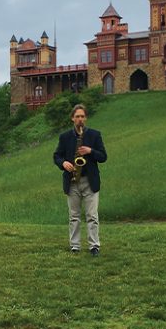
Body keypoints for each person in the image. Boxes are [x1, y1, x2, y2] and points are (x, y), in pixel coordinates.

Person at [53, 104, 107, 256]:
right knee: (74, 216)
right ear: (72, 118)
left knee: (92, 215)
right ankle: (75, 246)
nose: (80, 119)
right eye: (77, 116)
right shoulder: (65, 137)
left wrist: (90, 151)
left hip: (90, 181)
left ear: (86, 118)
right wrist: (63, 163)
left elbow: (103, 157)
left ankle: (94, 246)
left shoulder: (95, 135)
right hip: (72, 180)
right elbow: (57, 156)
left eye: (82, 116)